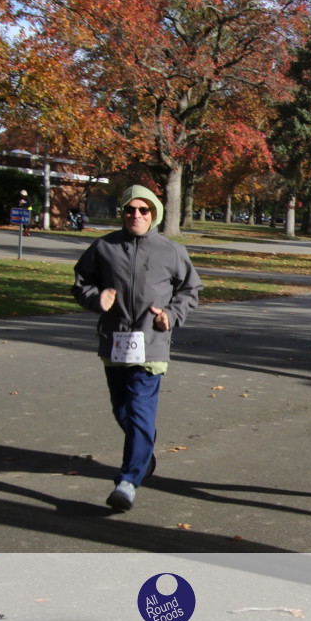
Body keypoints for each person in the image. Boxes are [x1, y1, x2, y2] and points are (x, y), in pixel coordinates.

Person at [72, 185, 202, 511]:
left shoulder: (170, 251)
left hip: (152, 343)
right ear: (123, 212)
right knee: (123, 411)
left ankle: (128, 481)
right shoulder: (104, 247)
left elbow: (190, 289)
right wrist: (96, 298)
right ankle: (143, 454)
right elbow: (81, 283)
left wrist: (171, 315)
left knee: (141, 409)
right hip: (114, 343)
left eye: (144, 210)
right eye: (130, 209)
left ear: (154, 213)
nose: (137, 215)